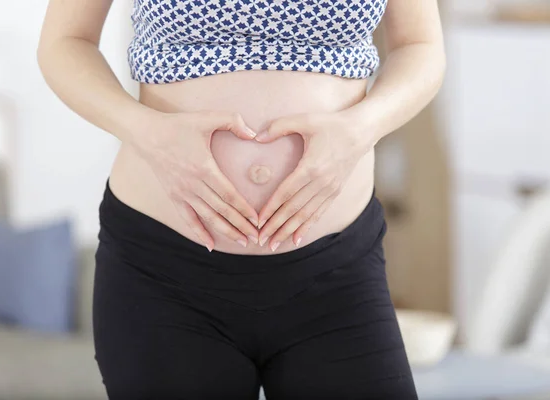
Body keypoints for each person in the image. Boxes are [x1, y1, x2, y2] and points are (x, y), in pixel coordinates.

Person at [37, 0, 445, 398]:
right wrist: (147, 132)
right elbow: (66, 41)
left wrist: (362, 128)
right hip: (164, 274)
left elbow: (420, 46)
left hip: (337, 275)